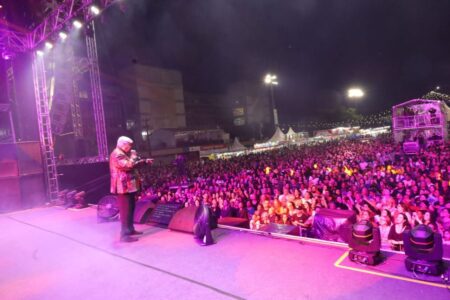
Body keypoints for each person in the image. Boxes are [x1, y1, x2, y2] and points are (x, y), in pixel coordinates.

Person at [110, 136, 153, 242]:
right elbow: (129, 165)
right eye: (129, 145)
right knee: (125, 211)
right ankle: (124, 235)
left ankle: (130, 229)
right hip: (122, 187)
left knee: (131, 208)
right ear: (122, 144)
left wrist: (144, 161)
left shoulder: (124, 154)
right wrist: (133, 155)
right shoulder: (117, 154)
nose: (130, 147)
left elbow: (134, 164)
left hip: (128, 186)